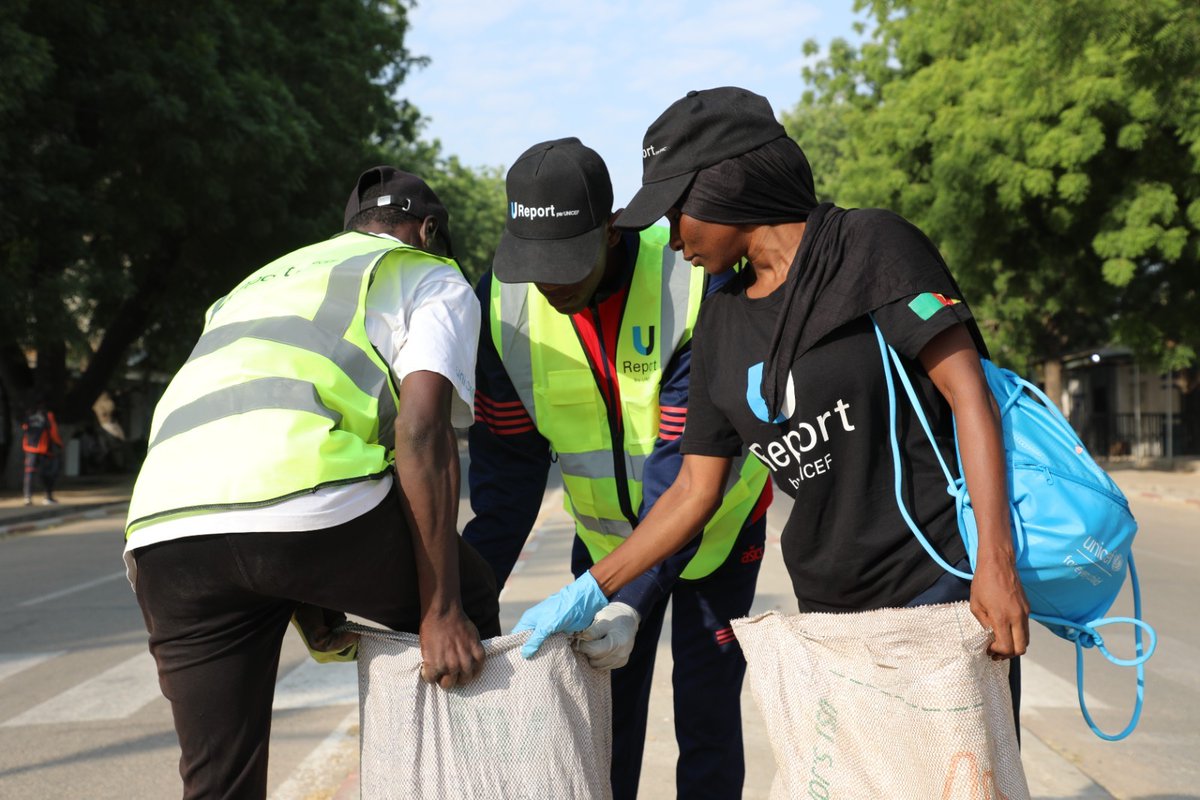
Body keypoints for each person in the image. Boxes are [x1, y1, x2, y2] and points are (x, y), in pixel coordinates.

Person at [515, 88, 1028, 721]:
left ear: (724, 185)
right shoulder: (721, 320)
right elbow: (692, 491)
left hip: (939, 587)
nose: (670, 238)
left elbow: (969, 395)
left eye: (676, 212)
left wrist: (996, 564)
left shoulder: (871, 245)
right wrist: (595, 590)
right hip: (830, 614)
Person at [123, 166, 500, 799]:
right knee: (472, 599)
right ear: (428, 230)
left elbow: (247, 451)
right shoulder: (427, 272)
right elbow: (423, 432)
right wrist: (440, 611)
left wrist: (305, 592)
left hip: (165, 529)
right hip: (306, 507)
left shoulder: (255, 285)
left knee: (218, 781)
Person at [464, 137, 771, 800]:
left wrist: (626, 596)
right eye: (534, 265)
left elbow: (685, 473)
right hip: (604, 547)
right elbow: (507, 477)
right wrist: (462, 597)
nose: (548, 285)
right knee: (599, 726)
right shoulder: (501, 304)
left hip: (716, 535)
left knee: (708, 715)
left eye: (566, 264)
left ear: (610, 229)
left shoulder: (691, 281)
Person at [21, 399, 62, 506]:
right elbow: (53, 432)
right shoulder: (48, 415)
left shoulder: (28, 415)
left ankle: (27, 497)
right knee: (48, 473)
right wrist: (59, 444)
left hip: (29, 449)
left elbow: (24, 430)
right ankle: (48, 497)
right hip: (44, 449)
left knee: (29, 473)